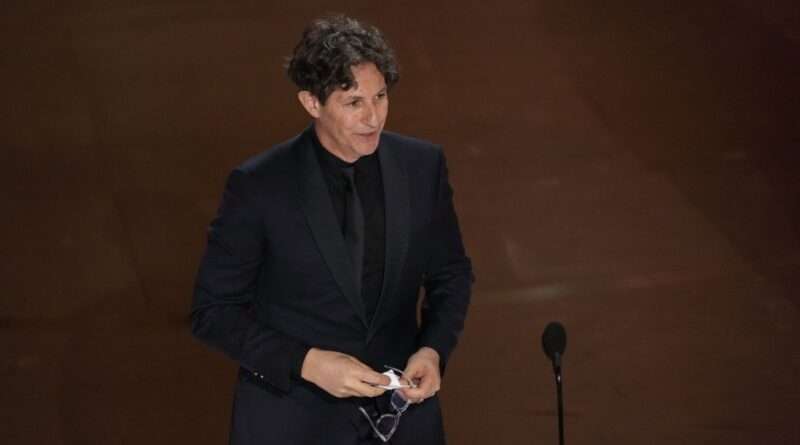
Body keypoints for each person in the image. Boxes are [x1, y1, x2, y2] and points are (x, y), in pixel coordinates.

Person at [191, 14, 473, 444]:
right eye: (353, 102)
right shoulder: (259, 186)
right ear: (311, 103)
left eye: (380, 96)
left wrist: (433, 349)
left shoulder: (422, 167)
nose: (373, 117)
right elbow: (212, 311)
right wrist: (307, 363)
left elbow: (451, 273)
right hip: (295, 423)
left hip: (404, 420)